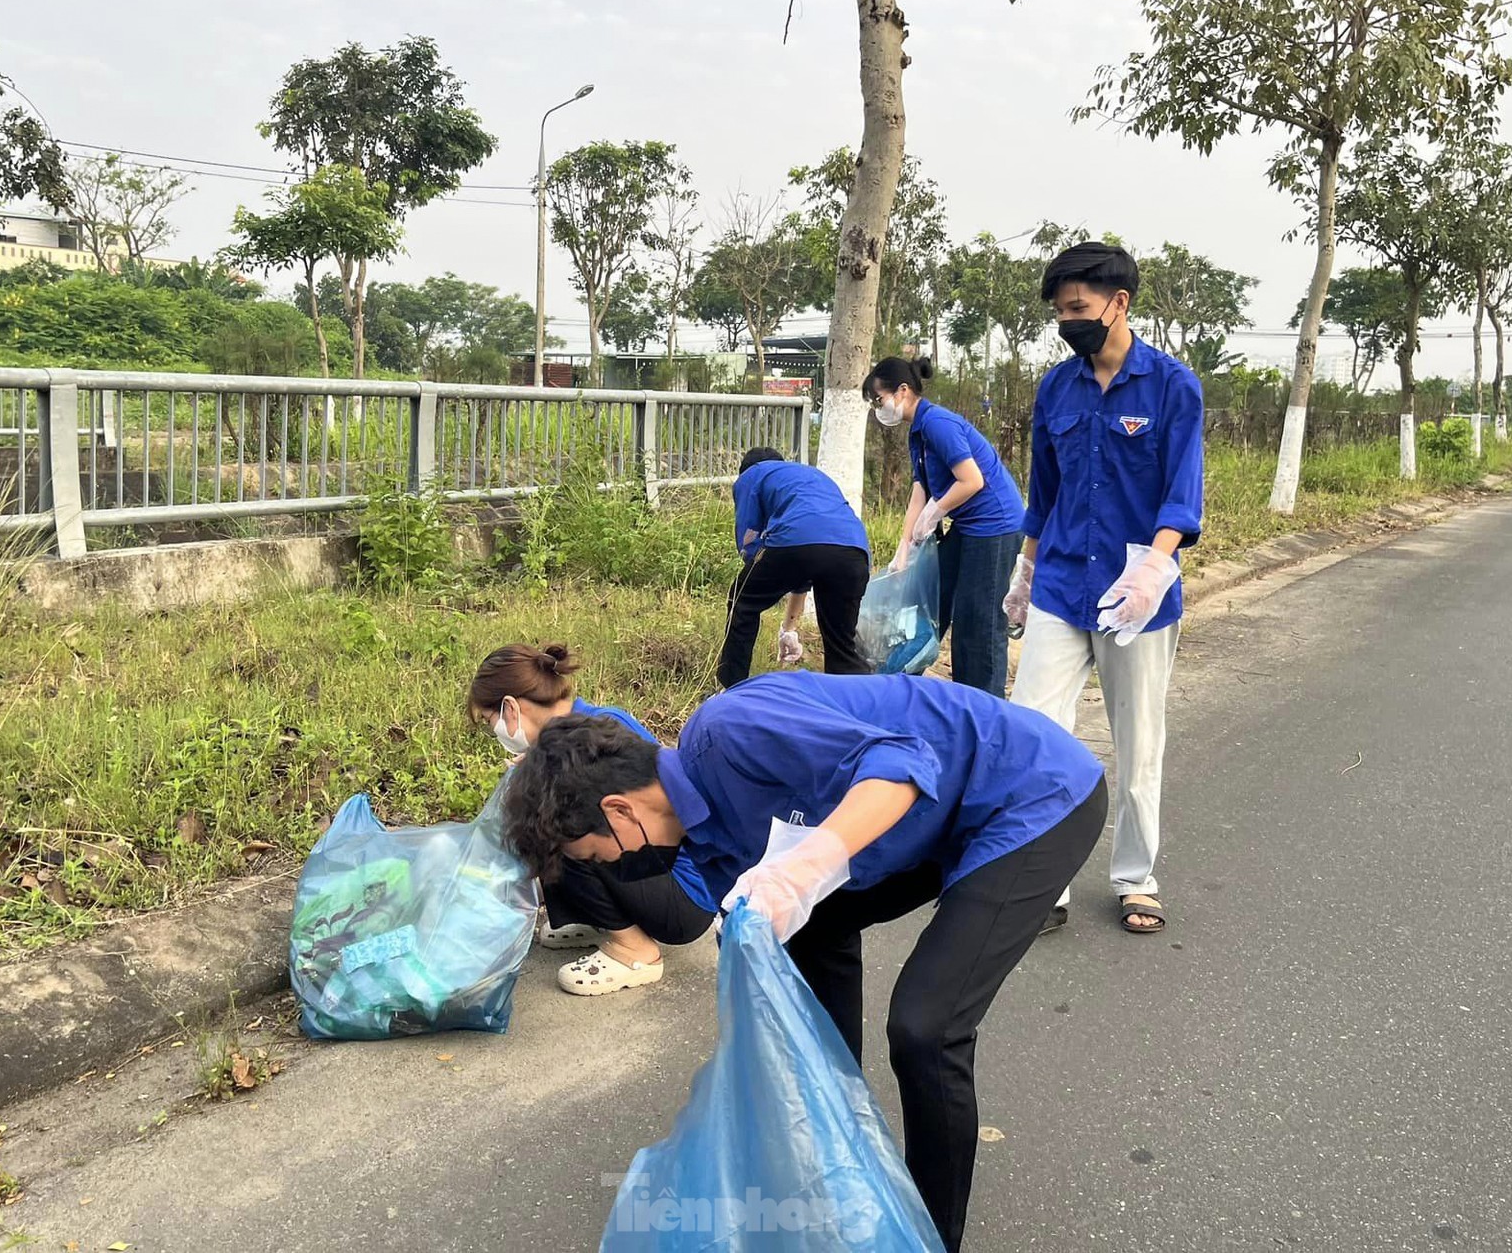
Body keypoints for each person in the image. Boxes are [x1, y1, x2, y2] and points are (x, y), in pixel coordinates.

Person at [501, 672, 1109, 1252]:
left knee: (926, 1028)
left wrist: (808, 864)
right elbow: (702, 919)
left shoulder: (732, 731)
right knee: (806, 935)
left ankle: (927, 1235)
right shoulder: (700, 832)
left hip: (1027, 792)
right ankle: (837, 1132)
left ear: (621, 810)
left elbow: (903, 763)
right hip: (932, 821)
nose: (610, 867)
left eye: (597, 854)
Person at [1002, 242, 1204, 935]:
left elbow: (1182, 495)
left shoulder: (1173, 387)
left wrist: (1156, 567)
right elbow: (1044, 492)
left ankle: (1136, 877)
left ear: (1119, 304)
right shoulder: (1057, 389)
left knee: (1137, 739)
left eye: (1078, 308)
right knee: (1034, 732)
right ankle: (1042, 883)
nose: (1068, 321)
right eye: (1060, 312)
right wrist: (1025, 571)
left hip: (1136, 595)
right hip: (1060, 583)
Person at [467, 643, 712, 995]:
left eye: (492, 722)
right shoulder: (570, 737)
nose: (496, 733)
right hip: (658, 876)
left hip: (684, 896)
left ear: (510, 708)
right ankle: (596, 917)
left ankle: (635, 950)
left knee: (556, 827)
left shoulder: (600, 734)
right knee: (543, 814)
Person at [865, 356, 1027, 696]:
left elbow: (971, 480)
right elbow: (918, 493)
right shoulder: (918, 433)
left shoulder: (938, 423)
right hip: (969, 526)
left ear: (903, 391)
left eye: (878, 399)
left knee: (978, 620)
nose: (878, 408)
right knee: (934, 601)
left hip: (995, 524)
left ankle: (983, 706)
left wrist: (936, 511)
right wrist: (904, 546)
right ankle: (902, 685)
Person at [717, 447, 873, 689]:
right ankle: (856, 709)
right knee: (841, 644)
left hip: (797, 543)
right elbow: (807, 562)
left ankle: (731, 688)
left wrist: (757, 569)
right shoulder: (810, 476)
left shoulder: (752, 474)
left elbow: (749, 541)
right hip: (853, 551)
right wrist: (788, 629)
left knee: (742, 600)